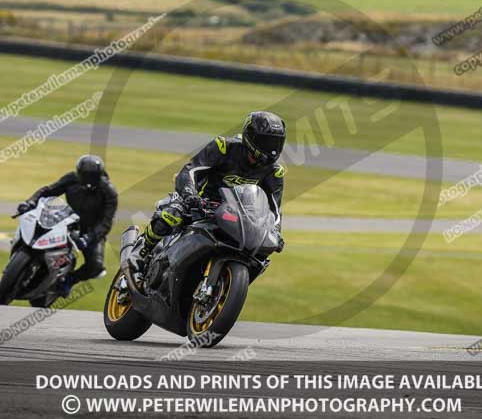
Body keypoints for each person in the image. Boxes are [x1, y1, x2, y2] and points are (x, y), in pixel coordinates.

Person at [129, 111, 286, 278]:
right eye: (267, 141)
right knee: (171, 215)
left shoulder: (274, 172)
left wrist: (275, 232)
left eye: (276, 143)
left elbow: (274, 210)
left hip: (237, 216)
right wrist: (190, 195)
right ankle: (142, 250)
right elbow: (190, 170)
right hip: (200, 202)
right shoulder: (224, 147)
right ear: (251, 136)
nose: (272, 149)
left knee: (260, 253)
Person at [18, 154, 118, 294]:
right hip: (67, 221)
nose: (88, 180)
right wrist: (31, 201)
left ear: (100, 175)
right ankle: (23, 258)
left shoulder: (109, 192)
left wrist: (88, 238)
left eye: (92, 176)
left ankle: (69, 280)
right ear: (79, 173)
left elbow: (106, 222)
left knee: (96, 265)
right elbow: (48, 190)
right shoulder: (71, 179)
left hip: (93, 230)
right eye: (85, 175)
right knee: (36, 228)